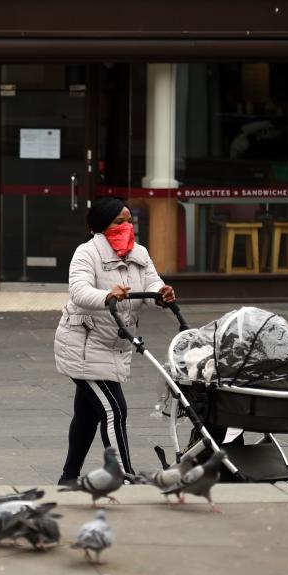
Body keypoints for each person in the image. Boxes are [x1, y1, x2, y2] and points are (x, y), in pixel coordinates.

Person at [53, 197, 176, 483]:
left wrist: (162, 294)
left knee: (87, 415)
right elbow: (79, 292)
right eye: (119, 222)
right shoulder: (86, 253)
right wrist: (107, 295)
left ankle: (68, 478)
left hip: (114, 346)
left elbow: (152, 283)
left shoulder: (139, 253)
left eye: (129, 221)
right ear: (101, 226)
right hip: (82, 345)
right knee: (114, 409)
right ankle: (124, 475)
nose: (126, 226)